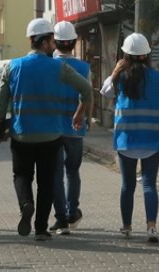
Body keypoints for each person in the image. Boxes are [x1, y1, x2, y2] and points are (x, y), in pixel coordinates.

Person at [0, 18, 93, 242]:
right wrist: (79, 113)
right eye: (52, 42)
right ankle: (40, 228)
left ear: (30, 40)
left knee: (21, 175)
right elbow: (86, 89)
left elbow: (0, 103)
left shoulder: (13, 66)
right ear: (47, 42)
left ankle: (26, 204)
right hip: (51, 135)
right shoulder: (59, 67)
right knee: (47, 181)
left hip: (21, 134)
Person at [101, 33, 159, 243]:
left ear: (125, 56)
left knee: (127, 185)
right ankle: (151, 227)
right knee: (149, 184)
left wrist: (114, 71)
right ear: (147, 55)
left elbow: (105, 93)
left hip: (126, 141)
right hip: (152, 139)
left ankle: (127, 227)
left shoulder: (119, 78)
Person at [50, 21, 90, 236]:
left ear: (54, 42)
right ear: (74, 42)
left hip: (53, 127)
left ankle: (61, 219)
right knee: (72, 171)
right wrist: (85, 117)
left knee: (56, 173)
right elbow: (88, 96)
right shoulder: (84, 67)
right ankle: (72, 210)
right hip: (76, 126)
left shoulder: (49, 65)